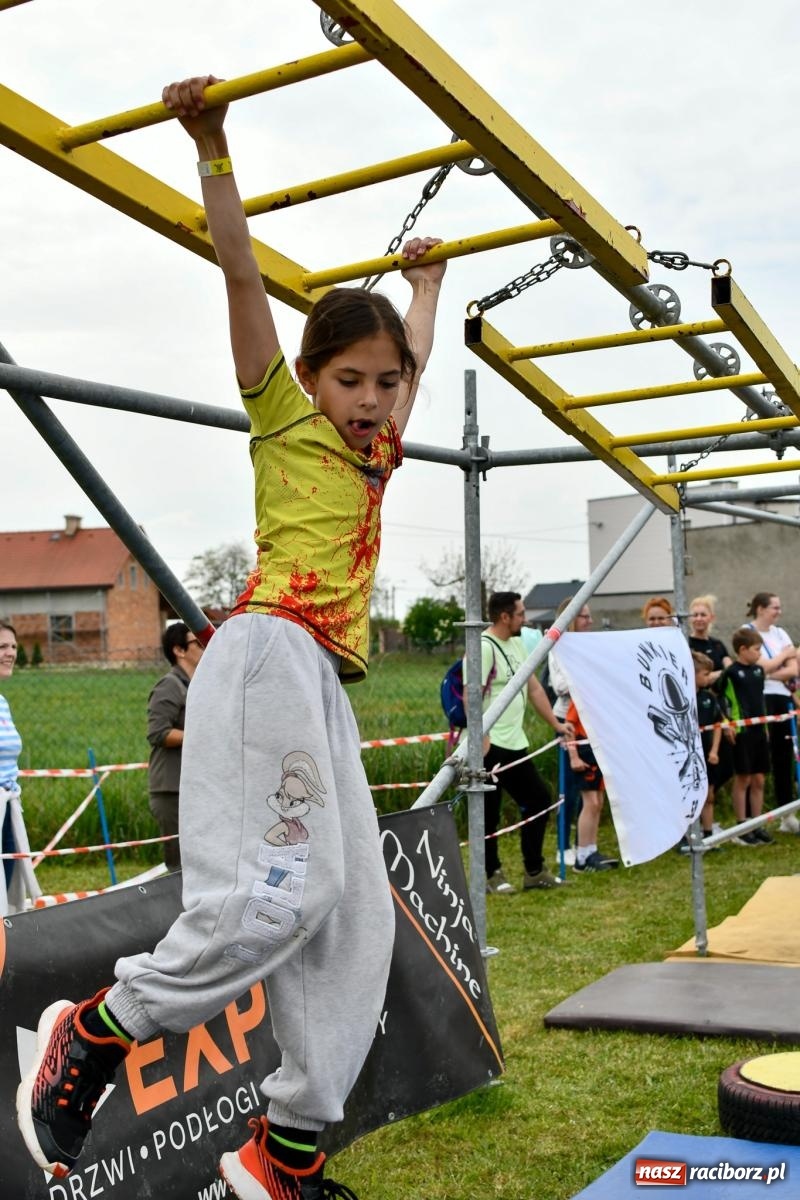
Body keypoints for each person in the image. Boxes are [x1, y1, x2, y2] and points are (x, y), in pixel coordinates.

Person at [17, 74, 446, 1199]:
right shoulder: (284, 416)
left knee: (357, 922)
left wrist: (428, 286)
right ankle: (100, 1030)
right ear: (307, 378)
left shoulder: (379, 454)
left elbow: (415, 356)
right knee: (278, 897)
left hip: (323, 682)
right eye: (349, 381)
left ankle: (284, 1154)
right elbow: (243, 275)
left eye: (384, 383)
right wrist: (211, 145)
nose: (369, 399)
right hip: (263, 650)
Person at [471, 591, 566, 894]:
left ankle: (534, 871)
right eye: (521, 614)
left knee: (538, 799)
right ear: (505, 616)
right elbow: (471, 693)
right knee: (488, 811)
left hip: (514, 743)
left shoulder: (516, 644)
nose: (525, 620)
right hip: (489, 745)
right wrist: (480, 737)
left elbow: (534, 688)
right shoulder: (483, 647)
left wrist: (556, 724)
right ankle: (491, 874)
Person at [146, 622, 205, 869]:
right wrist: (202, 735)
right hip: (171, 790)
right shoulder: (170, 685)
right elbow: (158, 732)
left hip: (194, 785)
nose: (205, 647)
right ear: (179, 650)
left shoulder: (197, 685)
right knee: (180, 865)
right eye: (198, 643)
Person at [744, 592, 798, 831]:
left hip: (783, 698)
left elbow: (793, 669)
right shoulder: (747, 631)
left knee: (784, 755)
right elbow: (759, 667)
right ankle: (750, 818)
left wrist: (769, 670)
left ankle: (787, 814)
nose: (779, 612)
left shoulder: (780, 633)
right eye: (774, 607)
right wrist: (783, 656)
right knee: (758, 758)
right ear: (760, 608)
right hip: (760, 698)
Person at [547, 596, 593, 864]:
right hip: (567, 721)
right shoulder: (557, 646)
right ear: (572, 618)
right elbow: (560, 686)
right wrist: (586, 677)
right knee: (569, 788)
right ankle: (562, 847)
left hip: (589, 721)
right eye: (585, 616)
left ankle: (584, 843)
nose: (590, 621)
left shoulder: (589, 645)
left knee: (589, 786)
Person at [0, 621, 41, 916]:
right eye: (2, 646)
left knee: (7, 883)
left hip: (6, 808)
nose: (10, 653)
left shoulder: (2, 702)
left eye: (13, 646)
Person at [722, 628, 772, 846]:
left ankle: (756, 823)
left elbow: (759, 699)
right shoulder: (731, 673)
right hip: (742, 731)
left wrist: (765, 726)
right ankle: (742, 825)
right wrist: (727, 723)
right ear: (742, 649)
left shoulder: (759, 671)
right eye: (756, 649)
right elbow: (721, 698)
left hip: (759, 729)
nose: (759, 654)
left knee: (759, 778)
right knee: (743, 777)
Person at [564, 695, 618, 872]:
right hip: (584, 751)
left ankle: (591, 850)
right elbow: (568, 726)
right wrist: (574, 756)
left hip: (599, 750)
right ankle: (581, 858)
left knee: (598, 803)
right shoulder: (579, 695)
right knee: (591, 803)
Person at [690, 650, 731, 847]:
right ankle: (688, 836)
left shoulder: (709, 697)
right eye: (705, 674)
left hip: (707, 755)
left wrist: (714, 751)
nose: (709, 678)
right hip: (690, 757)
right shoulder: (682, 699)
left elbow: (717, 725)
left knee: (709, 795)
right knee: (690, 797)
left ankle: (708, 834)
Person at [687, 594, 732, 681]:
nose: (699, 619)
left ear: (711, 618)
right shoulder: (686, 644)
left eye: (703, 615)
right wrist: (720, 674)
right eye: (695, 615)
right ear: (689, 618)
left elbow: (730, 669)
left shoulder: (717, 644)